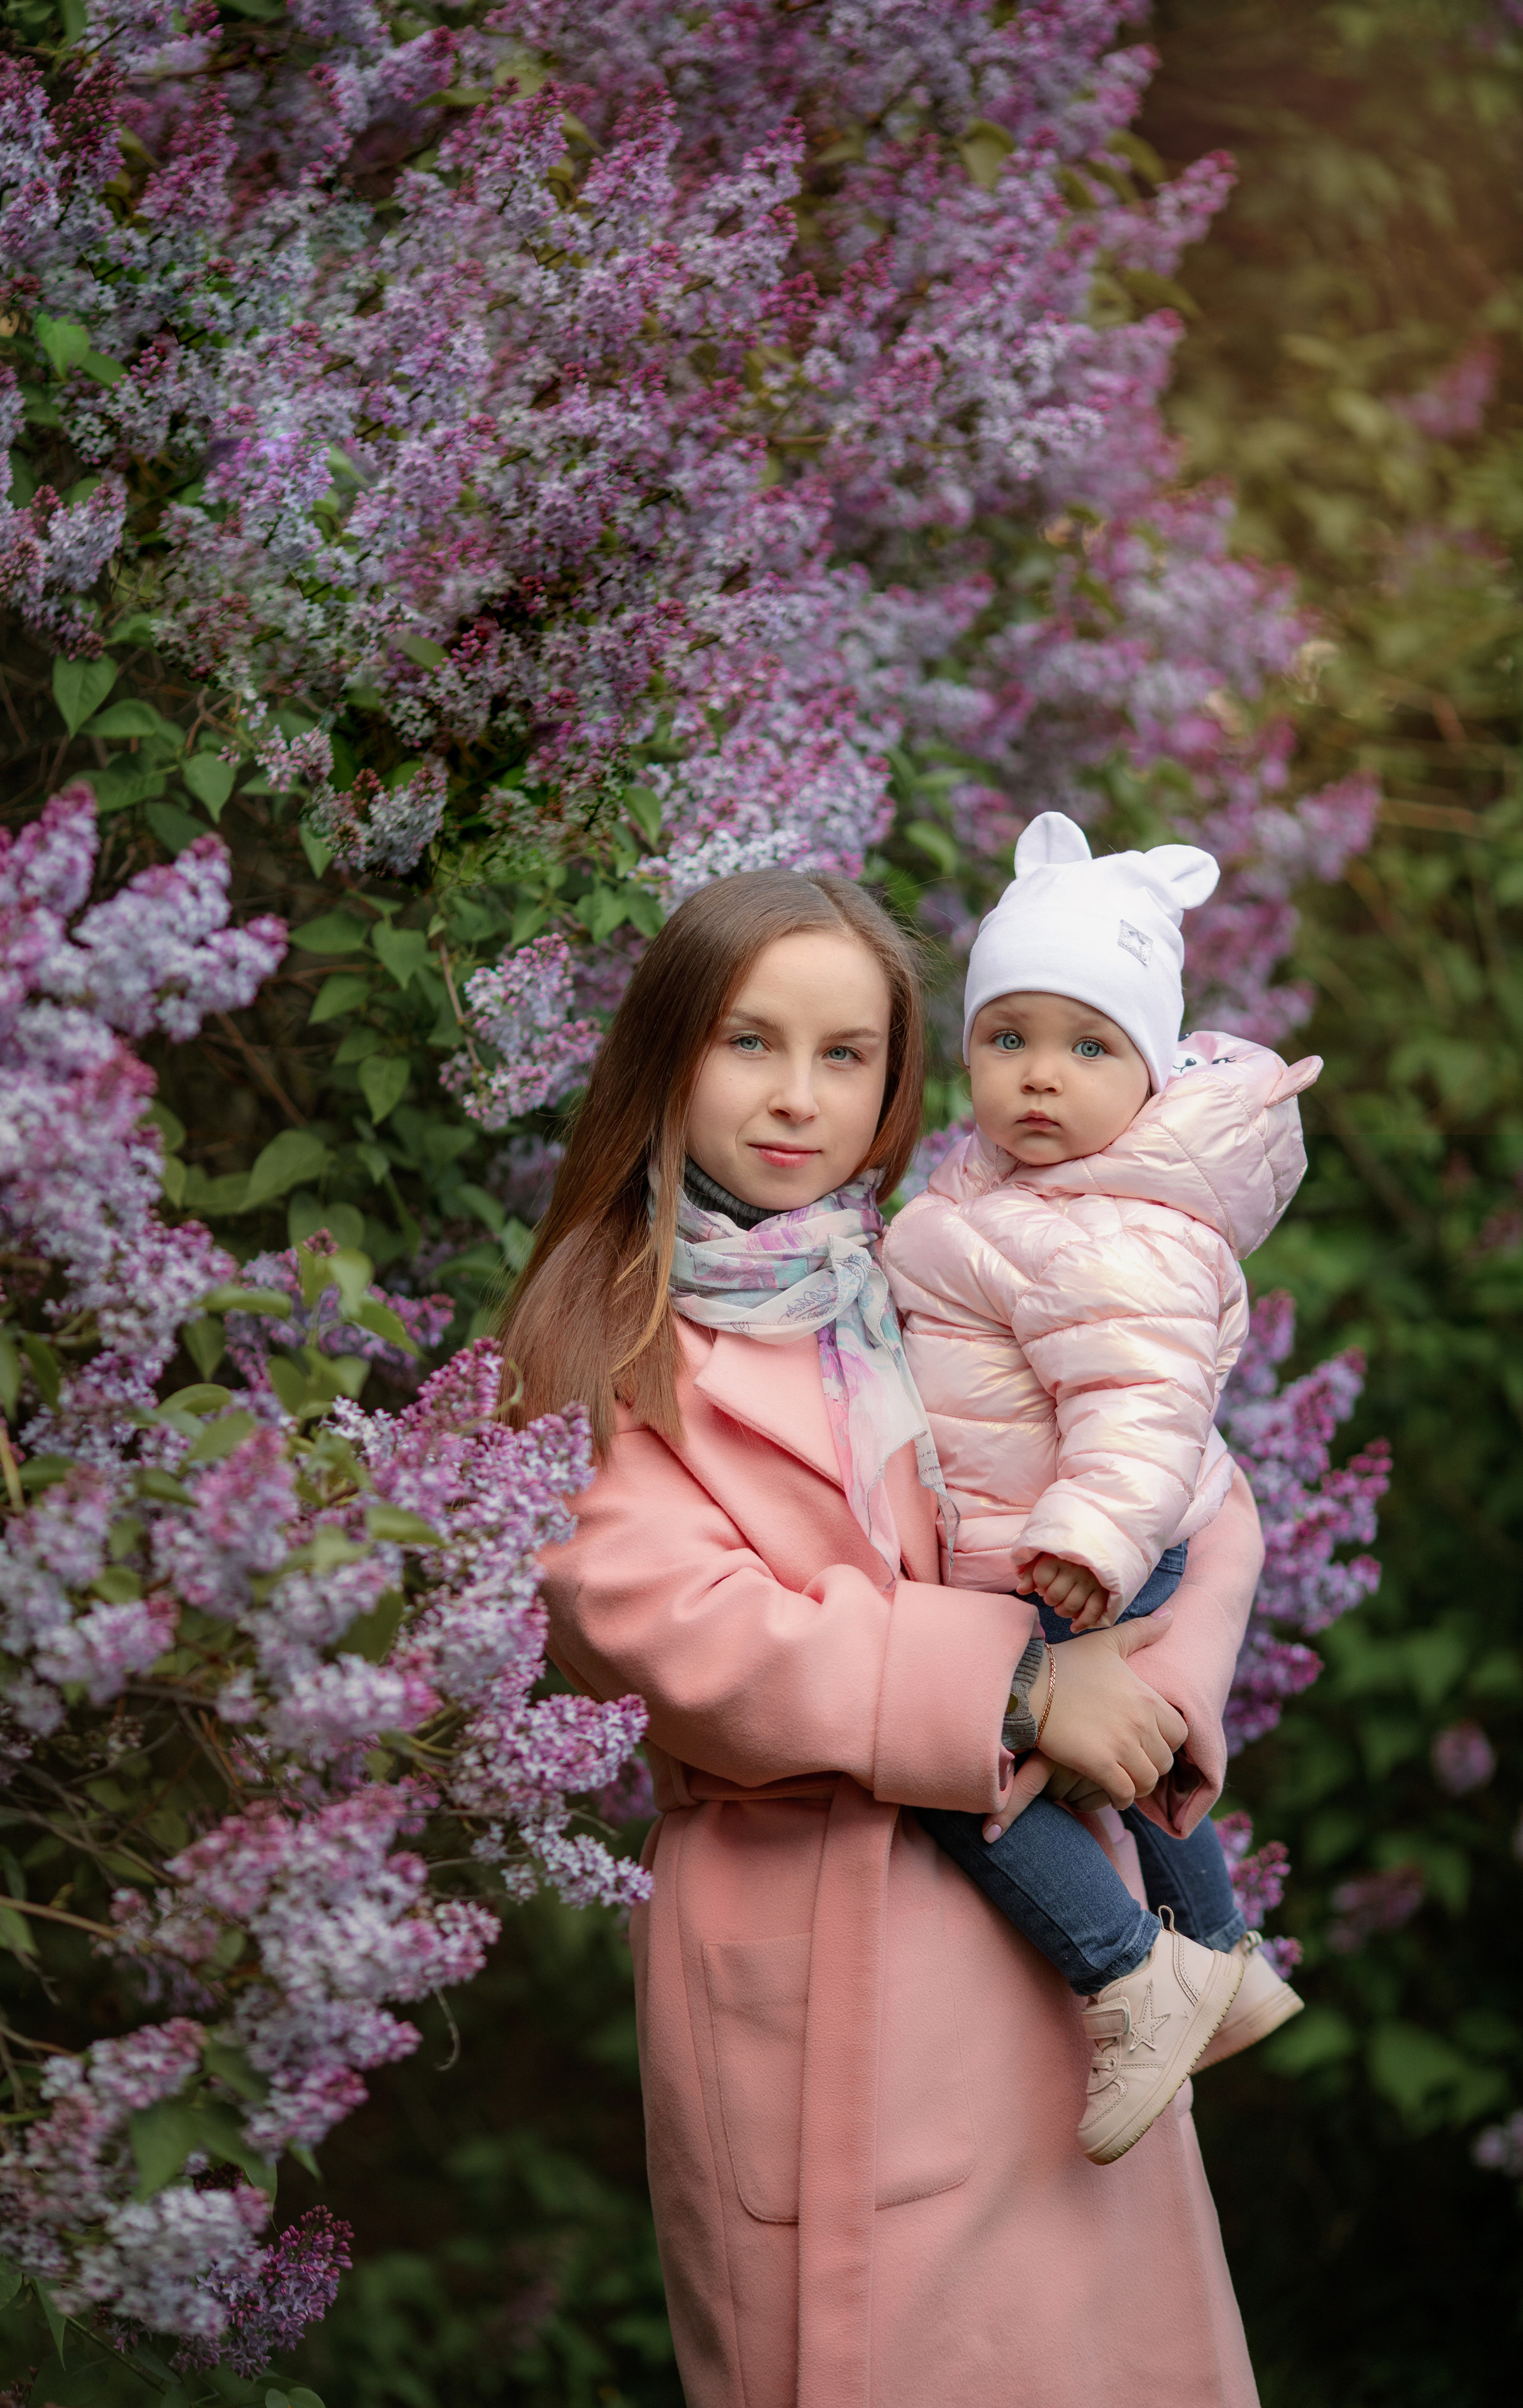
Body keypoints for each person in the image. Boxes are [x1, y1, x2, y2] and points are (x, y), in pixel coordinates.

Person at [514, 863, 1266, 2408]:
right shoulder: (600, 1323)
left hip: (1062, 1968)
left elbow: (1195, 1483)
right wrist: (1011, 1687)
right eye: (747, 1043)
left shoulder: (927, 1265)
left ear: (897, 1078)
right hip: (820, 1941)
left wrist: (1145, 1686)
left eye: (844, 1055)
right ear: (665, 1053)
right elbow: (653, 1617)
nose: (797, 1099)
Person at [884, 811, 1314, 2163]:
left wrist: (1085, 1539)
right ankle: (1227, 1954)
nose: (1036, 1079)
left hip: (1083, 1542)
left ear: (1147, 1069)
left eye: (1085, 1048)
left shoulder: (1115, 1225)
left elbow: (1140, 1405)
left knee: (954, 1761)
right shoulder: (1025, 1190)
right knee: (1128, 1764)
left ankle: (1131, 1971)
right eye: (1004, 1040)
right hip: (1074, 1533)